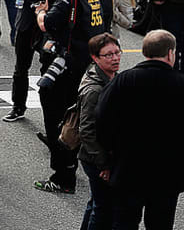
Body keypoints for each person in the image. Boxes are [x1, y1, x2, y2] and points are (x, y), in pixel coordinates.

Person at [96, 30, 184, 230]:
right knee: (160, 224)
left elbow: (102, 119)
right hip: (168, 173)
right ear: (170, 54)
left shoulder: (123, 81)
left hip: (128, 168)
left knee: (124, 222)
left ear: (145, 52)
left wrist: (110, 154)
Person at [33, 0, 111, 194]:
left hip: (65, 67)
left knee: (56, 118)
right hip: (83, 66)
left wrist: (41, 12)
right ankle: (68, 167)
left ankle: (63, 176)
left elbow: (48, 24)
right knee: (71, 116)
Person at [4, 0, 69, 123]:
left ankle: (50, 114)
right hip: (26, 22)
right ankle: (18, 106)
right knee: (21, 67)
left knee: (48, 68)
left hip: (49, 25)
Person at [77, 32, 121, 230]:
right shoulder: (94, 90)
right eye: (108, 55)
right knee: (103, 208)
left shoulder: (110, 77)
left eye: (117, 52)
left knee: (97, 202)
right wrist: (103, 164)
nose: (115, 58)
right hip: (95, 158)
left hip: (101, 155)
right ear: (95, 58)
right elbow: (86, 130)